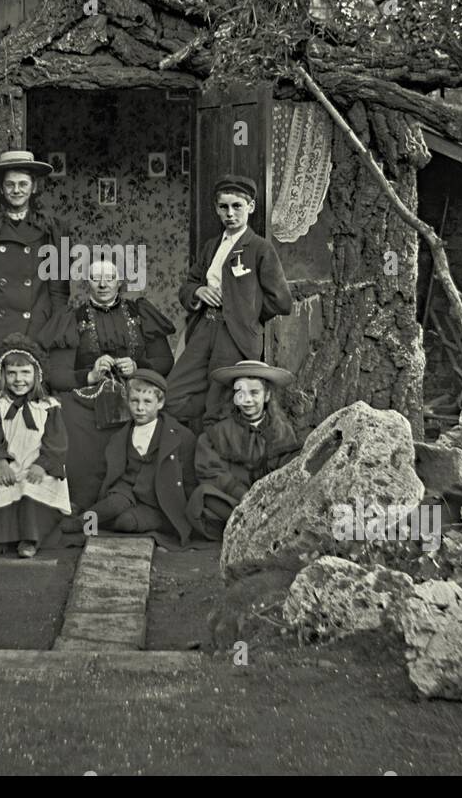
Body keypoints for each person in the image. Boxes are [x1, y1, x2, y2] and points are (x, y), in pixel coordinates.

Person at [37, 257, 176, 512]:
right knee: (66, 413)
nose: (102, 284)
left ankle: (143, 497)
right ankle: (83, 499)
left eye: (109, 278)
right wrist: (89, 376)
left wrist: (138, 366)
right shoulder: (73, 319)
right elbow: (55, 375)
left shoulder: (140, 314)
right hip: (91, 394)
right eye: (95, 278)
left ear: (120, 281)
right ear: (86, 282)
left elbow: (166, 361)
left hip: (137, 390)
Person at [166, 174, 293, 431]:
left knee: (221, 404)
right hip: (203, 329)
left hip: (234, 336)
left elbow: (281, 301)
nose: (230, 213)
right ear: (216, 209)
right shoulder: (212, 246)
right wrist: (199, 291)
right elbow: (187, 286)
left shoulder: (259, 248)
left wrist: (246, 313)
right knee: (172, 396)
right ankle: (204, 437)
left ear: (251, 207)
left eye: (237, 206)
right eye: (223, 207)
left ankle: (216, 459)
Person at [0, 150, 69, 438]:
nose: (16, 190)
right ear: (1, 188)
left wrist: (55, 327)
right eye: (10, 185)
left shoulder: (52, 227)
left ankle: (35, 472)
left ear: (34, 186)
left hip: (37, 326)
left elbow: (59, 284)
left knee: (36, 408)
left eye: (23, 184)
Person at [64, 369, 197, 543]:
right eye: (134, 401)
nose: (140, 408)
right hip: (126, 490)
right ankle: (82, 524)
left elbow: (188, 479)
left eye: (147, 402)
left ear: (160, 403)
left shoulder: (180, 436)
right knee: (113, 504)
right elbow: (105, 471)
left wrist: (182, 515)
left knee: (126, 522)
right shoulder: (122, 435)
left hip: (156, 499)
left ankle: (108, 522)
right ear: (127, 401)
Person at [0, 335, 71, 558]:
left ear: (36, 375)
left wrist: (42, 465)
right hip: (7, 460)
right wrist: (1, 462)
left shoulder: (48, 407)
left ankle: (30, 539)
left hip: (37, 463)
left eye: (25, 373)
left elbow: (56, 442)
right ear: (3, 376)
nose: (19, 380)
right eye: (12, 374)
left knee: (31, 487)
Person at [188, 360, 300, 540]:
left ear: (267, 396)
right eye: (241, 393)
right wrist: (242, 495)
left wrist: (267, 497)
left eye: (254, 393)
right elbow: (211, 471)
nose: (247, 400)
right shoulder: (220, 431)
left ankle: (255, 526)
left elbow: (288, 468)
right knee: (203, 496)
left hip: (270, 502)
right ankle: (252, 526)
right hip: (234, 501)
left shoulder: (282, 430)